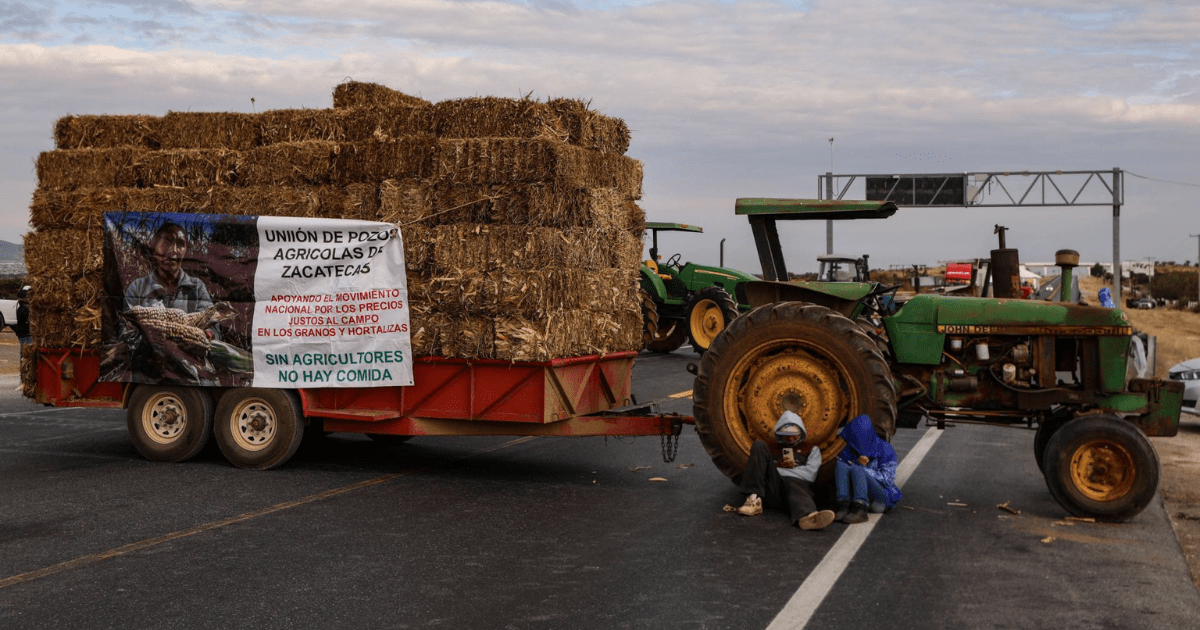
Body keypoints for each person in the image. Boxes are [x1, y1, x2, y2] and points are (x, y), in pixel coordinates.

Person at [731, 410, 836, 531]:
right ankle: (753, 500)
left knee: (793, 482)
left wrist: (780, 469)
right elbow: (760, 470)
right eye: (786, 435)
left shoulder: (812, 449)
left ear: (801, 433)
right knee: (759, 445)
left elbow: (810, 475)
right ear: (780, 434)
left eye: (794, 435)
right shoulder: (771, 449)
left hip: (796, 493)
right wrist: (779, 466)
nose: (791, 438)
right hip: (773, 491)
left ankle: (808, 517)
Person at [125, 222, 216, 339]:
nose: (174, 250)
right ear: (154, 246)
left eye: (180, 244)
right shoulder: (137, 287)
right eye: (167, 242)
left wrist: (206, 335)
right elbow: (125, 329)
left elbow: (213, 326)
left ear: (186, 251)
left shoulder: (197, 287)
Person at [834, 415, 902, 524]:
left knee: (858, 469)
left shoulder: (886, 450)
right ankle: (843, 505)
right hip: (854, 495)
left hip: (879, 500)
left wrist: (864, 469)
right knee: (841, 465)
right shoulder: (851, 448)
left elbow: (888, 480)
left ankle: (860, 508)